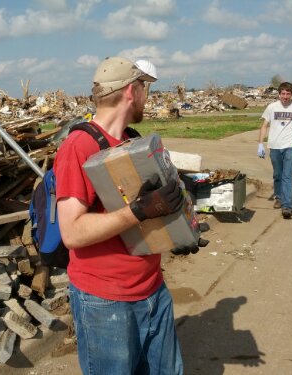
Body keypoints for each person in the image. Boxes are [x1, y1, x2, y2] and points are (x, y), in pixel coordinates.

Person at [54, 56, 184, 375]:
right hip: (106, 300)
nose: (147, 98)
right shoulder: (78, 146)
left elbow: (151, 211)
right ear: (131, 91)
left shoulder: (132, 143)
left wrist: (181, 233)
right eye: (145, 90)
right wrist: (139, 210)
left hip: (153, 288)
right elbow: (71, 232)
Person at [257, 81, 292, 219]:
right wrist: (260, 143)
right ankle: (278, 197)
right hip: (274, 146)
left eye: (288, 94)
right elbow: (264, 125)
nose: (285, 96)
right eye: (283, 93)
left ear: (291, 95)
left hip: (289, 145)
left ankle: (287, 206)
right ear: (279, 94)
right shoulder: (271, 107)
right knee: (277, 174)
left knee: (287, 176)